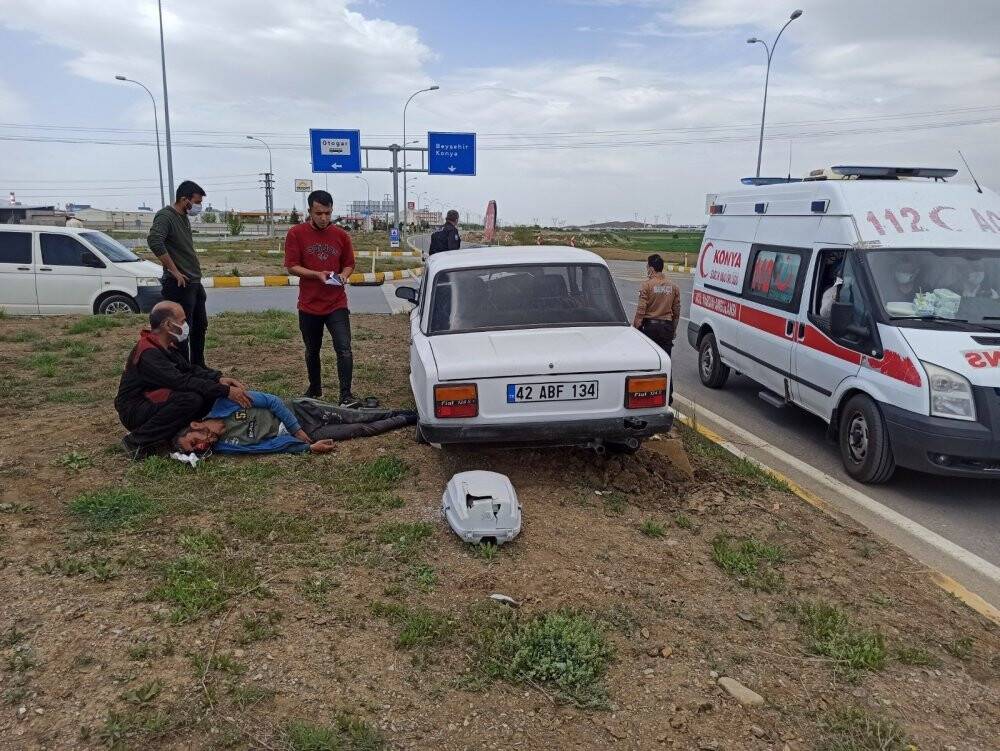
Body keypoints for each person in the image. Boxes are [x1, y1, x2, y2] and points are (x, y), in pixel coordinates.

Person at [115, 301, 250, 459]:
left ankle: (171, 434)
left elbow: (189, 369)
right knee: (190, 400)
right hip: (134, 409)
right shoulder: (149, 354)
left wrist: (218, 379)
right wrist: (226, 391)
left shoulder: (165, 346)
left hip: (153, 399)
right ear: (168, 324)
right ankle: (135, 441)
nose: (186, 325)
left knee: (206, 395)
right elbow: (181, 381)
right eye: (182, 321)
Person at [283, 190, 358, 406]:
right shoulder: (296, 233)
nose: (324, 218)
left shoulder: (341, 235)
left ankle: (346, 395)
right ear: (310, 211)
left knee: (344, 349)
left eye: (328, 213)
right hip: (309, 305)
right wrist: (317, 274)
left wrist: (344, 275)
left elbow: (349, 264)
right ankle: (315, 388)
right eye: (319, 213)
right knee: (312, 350)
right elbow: (292, 266)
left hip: (336, 303)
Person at [173, 393, 418, 455]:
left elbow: (272, 401)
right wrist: (307, 447)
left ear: (196, 425)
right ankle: (408, 419)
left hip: (299, 411)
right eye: (196, 450)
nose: (201, 446)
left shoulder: (226, 403)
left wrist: (296, 429)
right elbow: (267, 447)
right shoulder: (228, 445)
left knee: (357, 416)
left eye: (194, 442)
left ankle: (400, 411)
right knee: (359, 430)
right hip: (309, 434)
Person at [148, 180, 209, 366]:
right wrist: (174, 271)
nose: (198, 206)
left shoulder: (183, 217)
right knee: (181, 331)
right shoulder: (166, 216)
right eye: (196, 202)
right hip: (179, 284)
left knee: (200, 326)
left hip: (194, 282)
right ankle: (182, 369)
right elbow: (155, 240)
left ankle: (198, 366)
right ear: (184, 199)